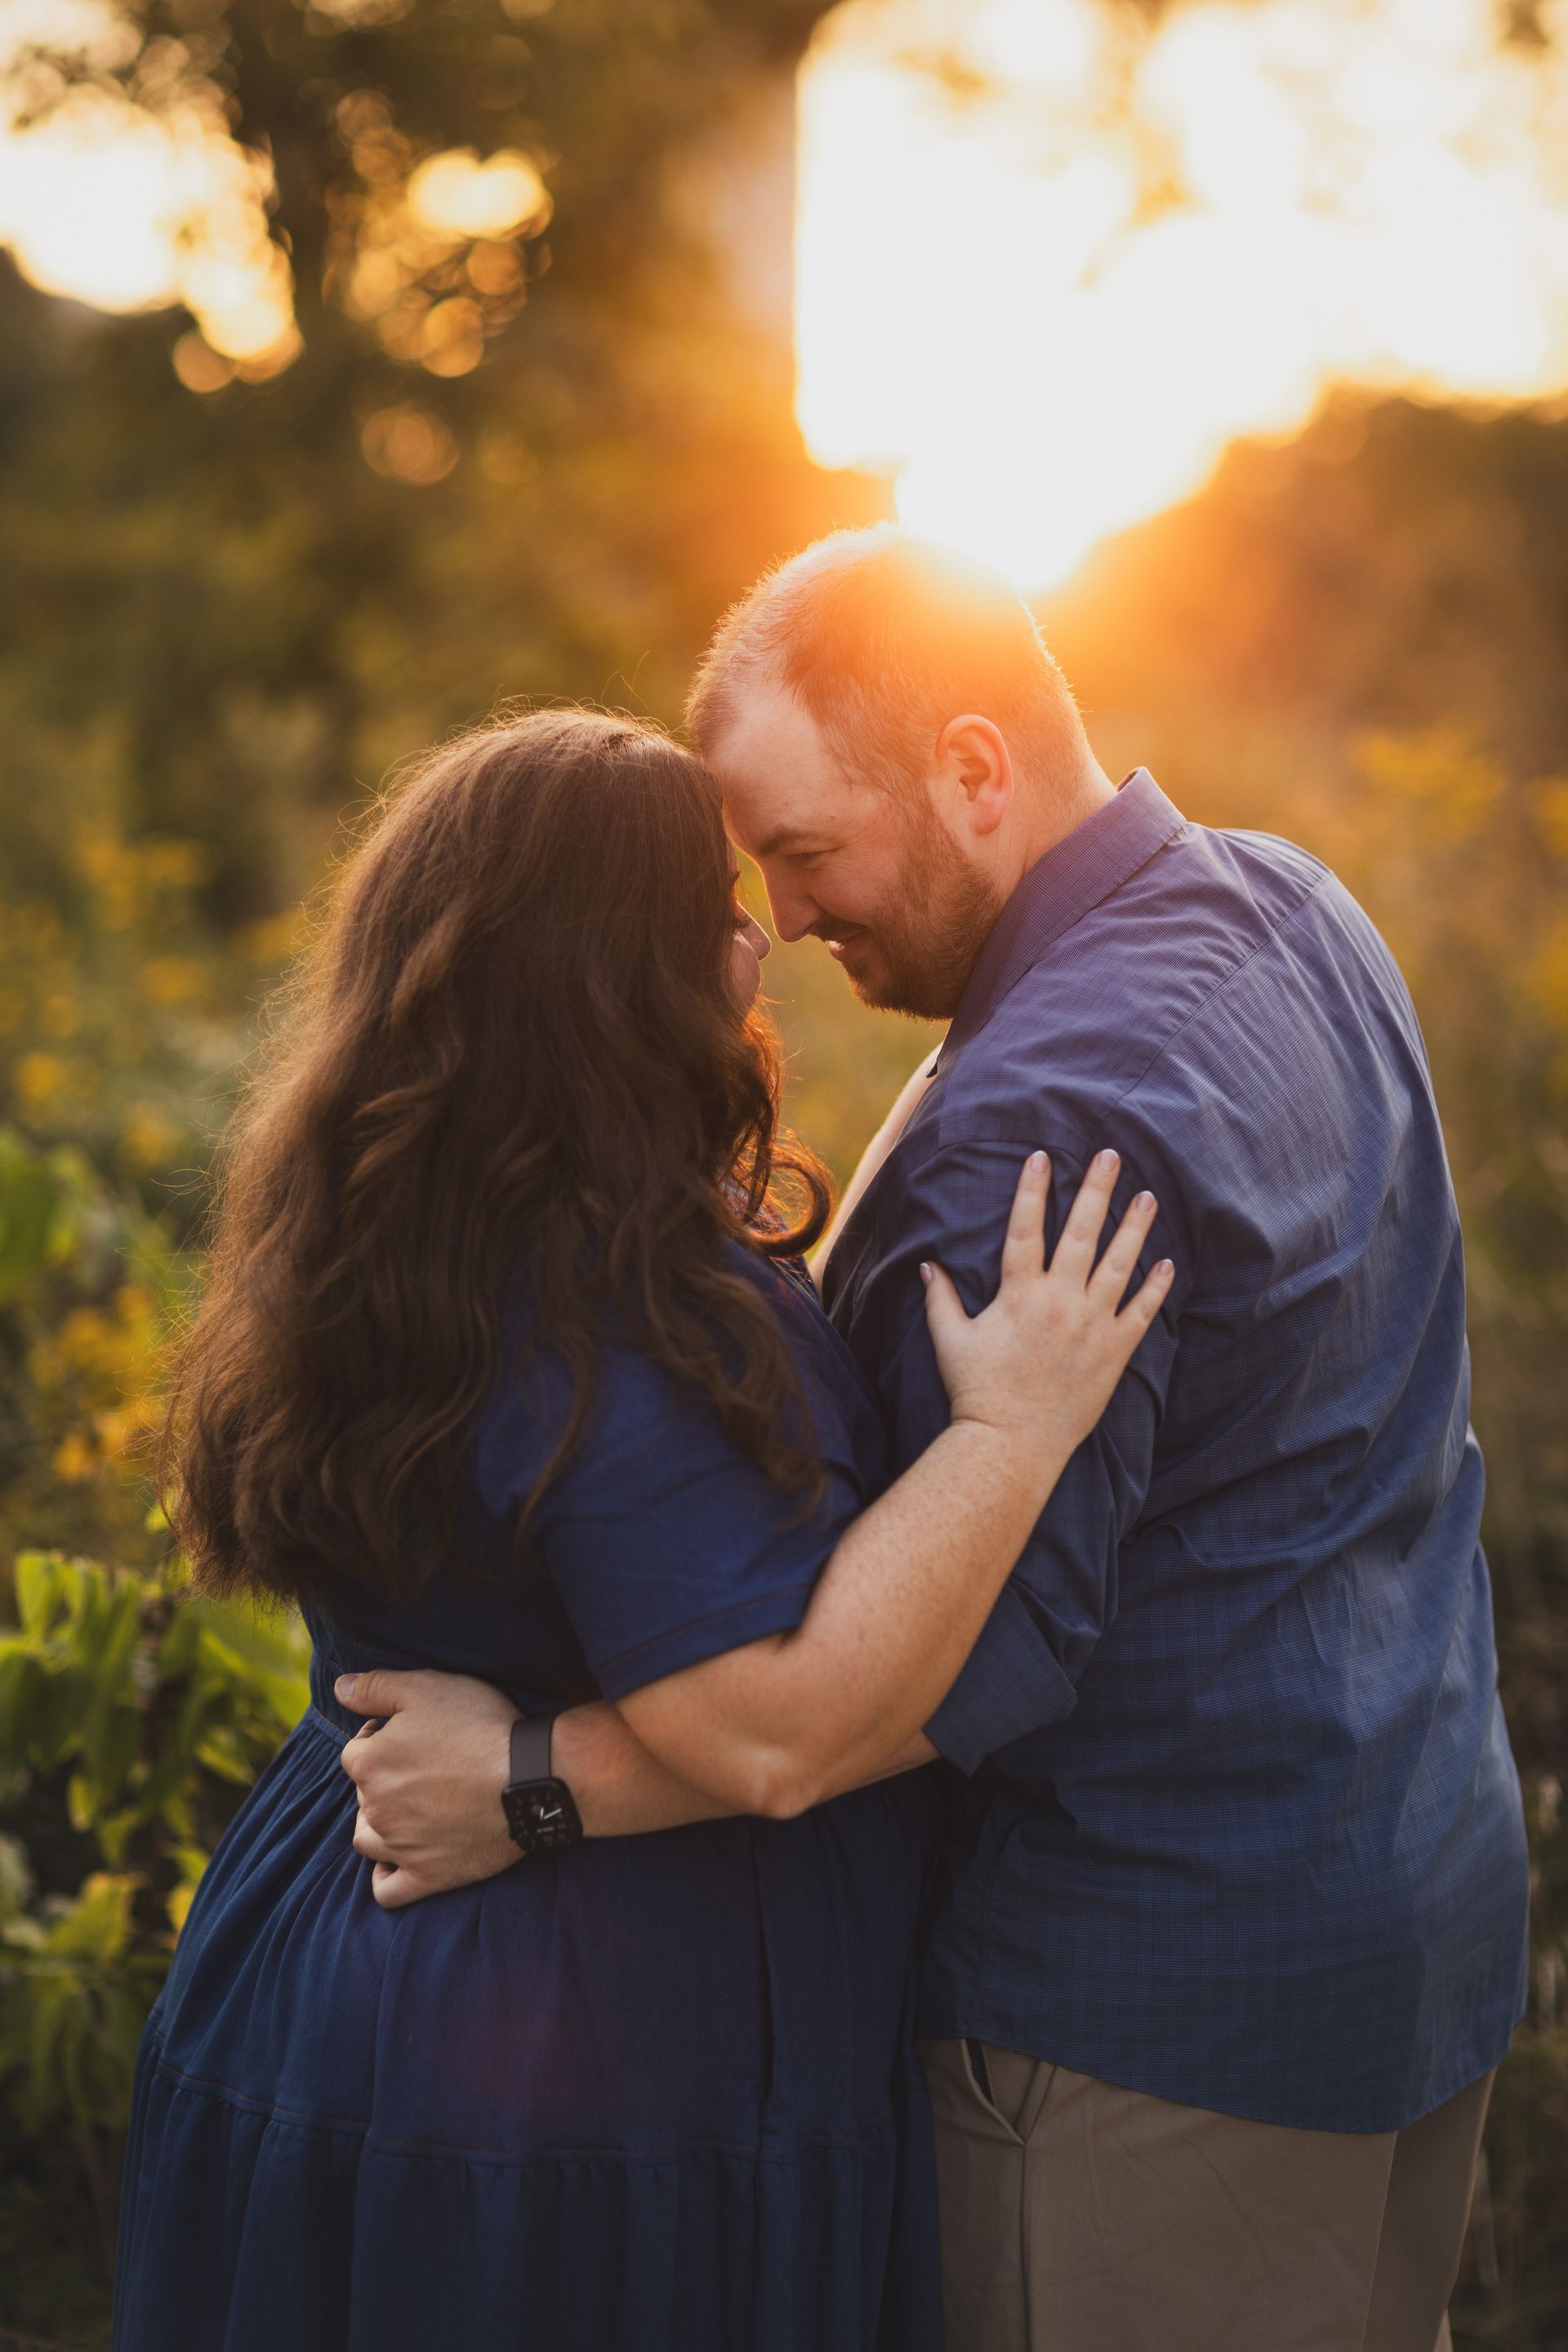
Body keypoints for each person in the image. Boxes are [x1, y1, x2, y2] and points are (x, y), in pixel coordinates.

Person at [346, 534, 1530, 2352]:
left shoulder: (1031, 1139)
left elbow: (921, 1664)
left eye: (809, 852)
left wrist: (533, 1774)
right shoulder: (1299, 909)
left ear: (976, 772)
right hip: (1413, 1932)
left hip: (1145, 2033)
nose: (789, 923)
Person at [110, 705, 1169, 2352]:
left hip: (330, 1965)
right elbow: (770, 1734)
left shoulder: (390, 1220)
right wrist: (1013, 1432)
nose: (763, 931)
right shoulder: (613, 1310)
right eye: (716, 906)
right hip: (573, 2067)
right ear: (634, 974)